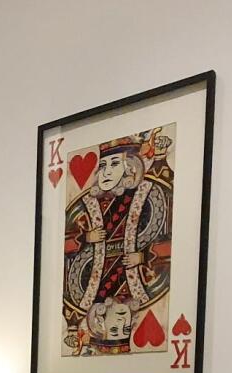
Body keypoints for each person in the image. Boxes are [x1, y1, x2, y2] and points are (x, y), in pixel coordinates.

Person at [62, 129, 173, 354]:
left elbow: (170, 247)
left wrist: (141, 256)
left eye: (114, 164)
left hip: (124, 277)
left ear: (130, 167)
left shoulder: (147, 193)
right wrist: (86, 238)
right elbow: (63, 249)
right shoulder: (89, 203)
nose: (106, 172)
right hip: (99, 278)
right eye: (103, 166)